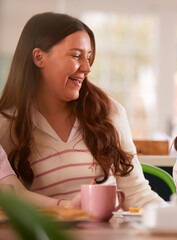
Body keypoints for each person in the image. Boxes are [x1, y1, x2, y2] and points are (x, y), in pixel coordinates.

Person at [0, 12, 164, 209]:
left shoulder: (109, 113)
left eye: (89, 57)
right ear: (39, 57)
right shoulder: (7, 124)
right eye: (76, 56)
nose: (87, 67)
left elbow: (137, 194)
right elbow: (11, 200)